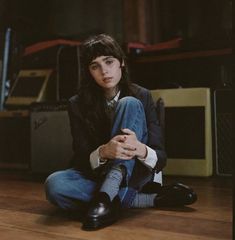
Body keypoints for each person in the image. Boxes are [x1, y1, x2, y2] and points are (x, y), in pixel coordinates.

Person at [45, 34, 197, 231]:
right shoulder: (77, 104)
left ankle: (105, 197)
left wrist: (139, 148)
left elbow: (160, 158)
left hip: (136, 172)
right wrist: (103, 152)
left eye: (109, 62)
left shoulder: (142, 95)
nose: (104, 71)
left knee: (129, 103)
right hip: (97, 175)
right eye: (95, 66)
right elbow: (82, 156)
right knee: (54, 185)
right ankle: (147, 200)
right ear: (89, 72)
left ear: (121, 63)